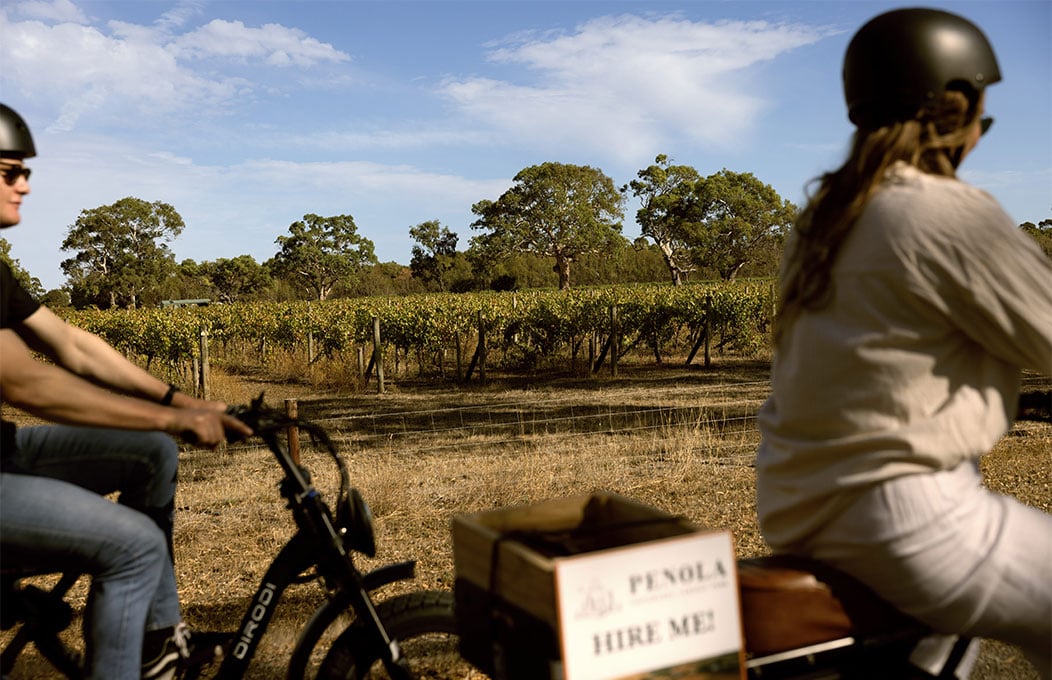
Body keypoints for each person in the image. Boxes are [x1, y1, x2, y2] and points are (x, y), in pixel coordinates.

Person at [756, 8, 1052, 678]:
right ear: (959, 108)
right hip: (908, 519)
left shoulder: (826, 218)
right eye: (984, 112)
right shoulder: (944, 212)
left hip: (801, 506)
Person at [0, 102, 252, 679]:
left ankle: (152, 641)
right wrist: (167, 419)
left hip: (4, 452)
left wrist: (183, 404)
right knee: (136, 544)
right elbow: (24, 379)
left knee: (151, 454)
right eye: (10, 171)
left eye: (26, 173)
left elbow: (70, 343)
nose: (25, 186)